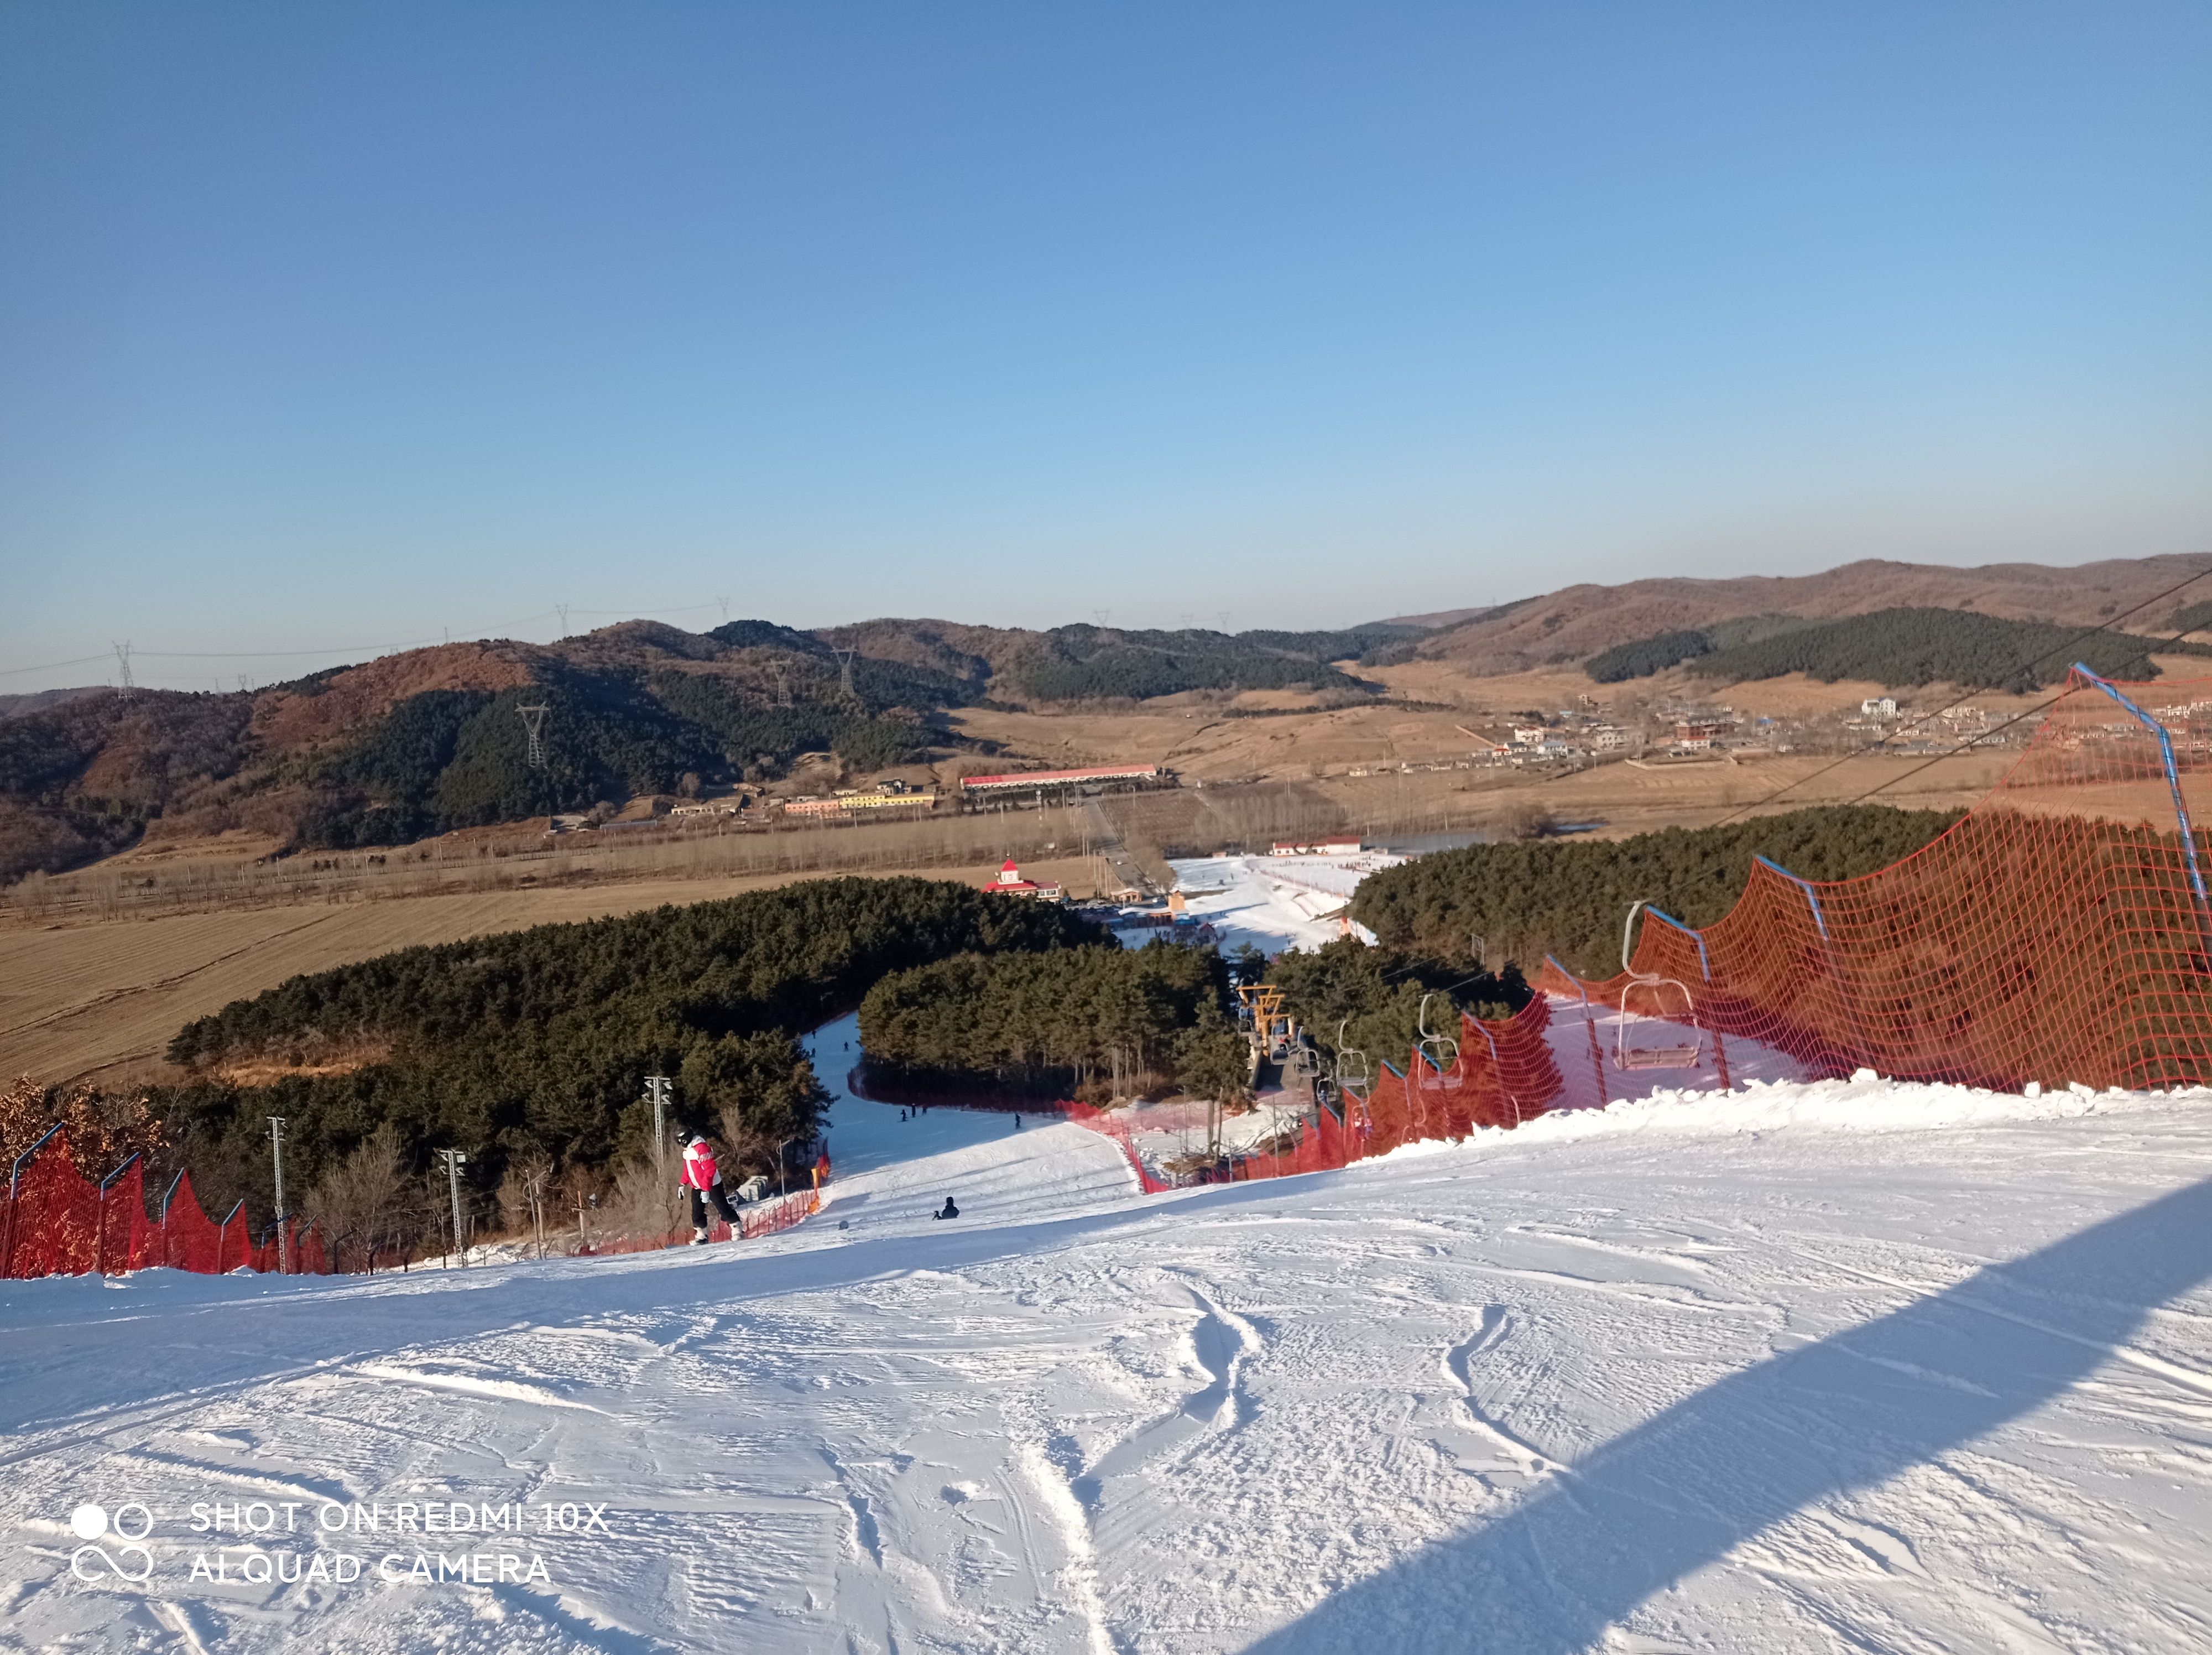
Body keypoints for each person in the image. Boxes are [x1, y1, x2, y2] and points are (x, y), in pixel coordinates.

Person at [680, 1132, 742, 1243]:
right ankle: (702, 1235)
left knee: (723, 1208)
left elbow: (710, 1170)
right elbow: (688, 1169)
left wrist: (706, 1188)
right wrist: (682, 1184)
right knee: (697, 1213)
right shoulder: (688, 1152)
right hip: (697, 1187)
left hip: (712, 1185)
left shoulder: (702, 1148)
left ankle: (736, 1228)